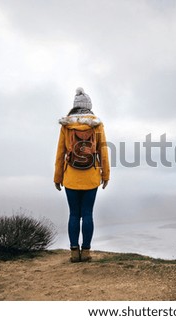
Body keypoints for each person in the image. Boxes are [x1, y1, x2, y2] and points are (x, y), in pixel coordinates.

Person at [54, 87, 110, 262]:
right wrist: (105, 175)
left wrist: (58, 177)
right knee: (87, 214)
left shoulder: (67, 125)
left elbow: (60, 152)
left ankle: (73, 252)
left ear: (74, 106)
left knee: (73, 214)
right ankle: (86, 252)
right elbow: (103, 152)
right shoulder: (97, 124)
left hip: (70, 177)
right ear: (89, 106)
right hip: (91, 176)